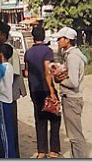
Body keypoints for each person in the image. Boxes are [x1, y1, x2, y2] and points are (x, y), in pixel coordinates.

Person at [24, 26, 61, 158]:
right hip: (46, 88)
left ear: (33, 37)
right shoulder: (47, 51)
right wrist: (51, 91)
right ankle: (54, 150)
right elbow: (47, 70)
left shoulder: (28, 52)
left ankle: (41, 151)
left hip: (35, 90)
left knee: (40, 120)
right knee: (55, 118)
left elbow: (27, 72)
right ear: (44, 36)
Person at [52, 27, 88, 158]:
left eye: (60, 39)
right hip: (72, 98)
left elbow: (73, 82)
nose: (58, 41)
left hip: (72, 99)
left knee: (75, 136)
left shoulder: (72, 57)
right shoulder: (71, 55)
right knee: (73, 135)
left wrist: (60, 80)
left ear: (67, 40)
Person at [0, 20, 26, 157]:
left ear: (2, 34)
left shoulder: (9, 50)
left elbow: (14, 75)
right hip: (6, 95)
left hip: (9, 95)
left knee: (9, 127)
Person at [0, 43, 16, 158]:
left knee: (3, 131)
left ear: (1, 54)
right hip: (8, 99)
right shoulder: (10, 66)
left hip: (2, 99)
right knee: (8, 129)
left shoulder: (1, 68)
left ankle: (7, 155)